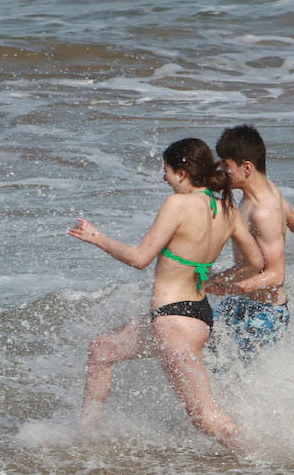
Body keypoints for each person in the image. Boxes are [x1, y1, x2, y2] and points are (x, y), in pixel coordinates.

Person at [68, 138, 262, 452]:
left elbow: (139, 258)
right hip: (196, 317)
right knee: (101, 350)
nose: (165, 179)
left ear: (183, 173)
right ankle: (87, 437)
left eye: (167, 172)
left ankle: (264, 458)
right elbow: (254, 263)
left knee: (204, 417)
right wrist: (215, 282)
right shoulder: (225, 208)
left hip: (174, 324)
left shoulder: (178, 204)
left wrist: (97, 238)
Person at [203, 124, 294, 362]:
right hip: (242, 300)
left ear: (247, 167)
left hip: (266, 314)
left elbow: (276, 275)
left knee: (232, 376)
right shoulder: (265, 192)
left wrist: (224, 286)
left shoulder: (263, 211)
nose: (223, 171)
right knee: (201, 344)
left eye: (226, 165)